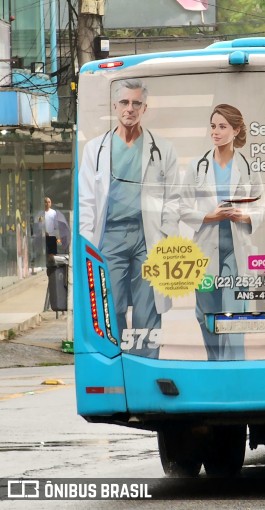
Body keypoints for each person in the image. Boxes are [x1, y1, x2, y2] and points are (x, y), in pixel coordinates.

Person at [78, 78, 180, 358]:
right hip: (109, 235)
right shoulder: (95, 150)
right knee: (112, 307)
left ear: (145, 108)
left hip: (149, 237)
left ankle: (146, 370)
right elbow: (86, 201)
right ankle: (120, 367)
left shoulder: (164, 149)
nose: (130, 108)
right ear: (115, 106)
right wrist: (88, 244)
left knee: (148, 311)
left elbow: (173, 200)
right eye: (124, 102)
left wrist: (167, 239)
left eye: (136, 103)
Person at [180, 104, 265, 360]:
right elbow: (182, 207)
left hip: (236, 251)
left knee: (234, 316)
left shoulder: (248, 167)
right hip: (205, 250)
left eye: (222, 127)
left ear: (236, 130)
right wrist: (209, 216)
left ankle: (235, 368)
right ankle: (214, 363)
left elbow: (262, 205)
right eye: (213, 126)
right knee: (206, 315)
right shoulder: (198, 166)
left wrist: (245, 215)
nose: (215, 132)